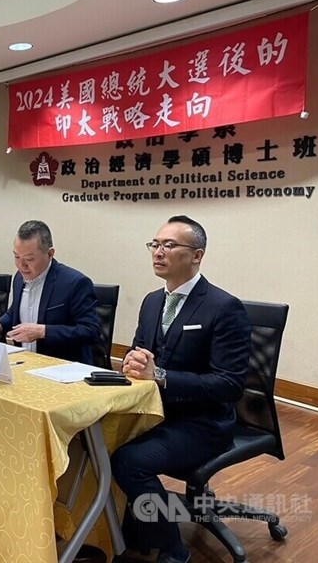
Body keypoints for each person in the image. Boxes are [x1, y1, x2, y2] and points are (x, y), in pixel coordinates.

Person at [112, 215, 251, 563]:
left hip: (203, 424)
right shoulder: (151, 302)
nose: (158, 252)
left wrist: (160, 375)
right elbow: (140, 351)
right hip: (156, 412)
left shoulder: (223, 307)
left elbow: (230, 385)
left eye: (169, 245)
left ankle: (173, 548)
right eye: (155, 244)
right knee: (97, 440)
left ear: (197, 255)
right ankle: (129, 529)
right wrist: (131, 362)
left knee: (129, 462)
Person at [0, 220, 104, 365]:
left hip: (61, 368)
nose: (21, 265)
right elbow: (15, 311)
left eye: (29, 259)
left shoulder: (75, 283)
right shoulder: (19, 278)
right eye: (16, 257)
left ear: (50, 254)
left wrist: (43, 331)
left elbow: (91, 331)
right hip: (24, 363)